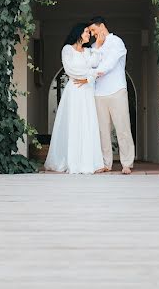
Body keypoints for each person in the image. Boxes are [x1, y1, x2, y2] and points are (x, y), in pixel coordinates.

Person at [43, 23, 104, 174]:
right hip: (74, 91)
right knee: (74, 122)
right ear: (78, 33)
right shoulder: (67, 50)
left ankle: (90, 162)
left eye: (89, 33)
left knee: (88, 122)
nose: (88, 35)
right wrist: (89, 74)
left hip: (87, 91)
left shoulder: (90, 51)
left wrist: (88, 78)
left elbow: (96, 66)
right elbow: (71, 69)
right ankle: (72, 160)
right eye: (85, 32)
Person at [77, 16, 135, 175]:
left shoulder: (116, 42)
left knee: (122, 128)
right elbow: (91, 64)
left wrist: (92, 74)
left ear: (101, 26)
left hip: (116, 90)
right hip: (98, 93)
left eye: (94, 30)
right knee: (102, 130)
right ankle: (105, 163)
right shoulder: (96, 46)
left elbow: (108, 65)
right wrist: (98, 48)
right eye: (90, 32)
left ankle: (127, 163)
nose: (93, 34)